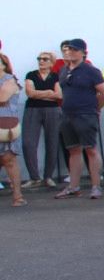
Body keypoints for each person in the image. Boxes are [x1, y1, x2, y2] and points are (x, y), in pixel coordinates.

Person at [54, 38, 104, 200]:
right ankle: (73, 186)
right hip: (67, 115)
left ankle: (96, 186)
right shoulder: (64, 70)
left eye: (75, 50)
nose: (70, 52)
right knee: (73, 150)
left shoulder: (91, 71)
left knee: (90, 149)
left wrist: (95, 109)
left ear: (84, 53)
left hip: (86, 114)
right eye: (69, 49)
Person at [22, 50, 62, 188]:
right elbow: (30, 93)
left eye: (45, 59)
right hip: (32, 109)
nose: (41, 61)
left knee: (52, 142)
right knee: (28, 143)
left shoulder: (55, 76)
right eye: (39, 58)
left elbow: (59, 95)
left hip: (52, 110)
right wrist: (49, 93)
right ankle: (34, 177)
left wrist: (44, 94)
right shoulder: (31, 75)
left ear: (51, 62)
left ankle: (48, 176)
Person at [0, 55, 24, 206]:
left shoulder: (10, 80)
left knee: (9, 160)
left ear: (4, 65)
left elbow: (2, 98)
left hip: (5, 126)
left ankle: (18, 196)